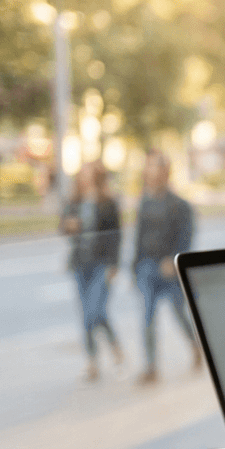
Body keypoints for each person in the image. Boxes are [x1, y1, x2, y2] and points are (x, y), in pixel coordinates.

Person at [133, 152, 199, 385]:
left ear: (165, 172)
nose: (151, 172)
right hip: (147, 267)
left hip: (170, 272)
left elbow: (186, 238)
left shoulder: (180, 206)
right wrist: (134, 267)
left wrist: (173, 260)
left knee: (179, 313)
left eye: (155, 167)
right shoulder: (144, 202)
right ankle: (150, 367)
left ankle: (195, 345)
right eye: (149, 167)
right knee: (147, 316)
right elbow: (139, 237)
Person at [61, 162, 123, 382]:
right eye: (82, 174)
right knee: (88, 314)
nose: (84, 178)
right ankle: (93, 362)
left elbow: (116, 236)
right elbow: (62, 227)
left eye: (88, 174)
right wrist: (68, 226)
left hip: (101, 264)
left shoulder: (107, 203)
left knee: (93, 312)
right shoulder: (73, 201)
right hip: (80, 264)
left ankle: (112, 345)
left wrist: (114, 265)